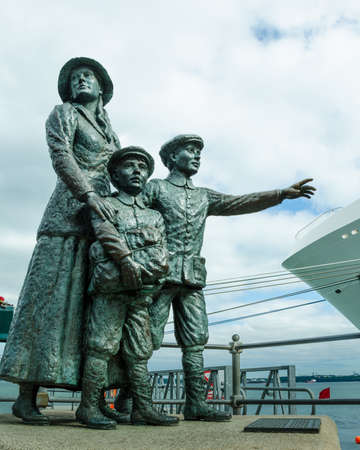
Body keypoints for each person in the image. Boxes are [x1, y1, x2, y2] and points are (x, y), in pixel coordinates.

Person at [117, 134, 316, 422]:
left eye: (199, 151)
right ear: (172, 158)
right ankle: (128, 401)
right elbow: (131, 214)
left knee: (195, 340)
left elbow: (239, 202)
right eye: (190, 150)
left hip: (192, 278)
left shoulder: (203, 196)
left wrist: (280, 194)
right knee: (146, 340)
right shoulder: (155, 188)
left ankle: (196, 403)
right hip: (158, 276)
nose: (197, 156)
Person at [0, 57, 120, 424]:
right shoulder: (64, 113)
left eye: (89, 76)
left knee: (90, 308)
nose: (81, 80)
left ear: (102, 88)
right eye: (75, 78)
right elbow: (61, 156)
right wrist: (88, 194)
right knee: (48, 300)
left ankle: (92, 398)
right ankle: (26, 395)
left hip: (100, 222)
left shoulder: (112, 133)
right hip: (67, 217)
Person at [76, 146, 179, 429]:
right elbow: (106, 236)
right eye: (129, 165)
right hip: (110, 290)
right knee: (100, 346)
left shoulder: (153, 216)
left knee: (139, 349)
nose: (137, 171)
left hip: (141, 293)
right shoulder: (104, 205)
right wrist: (127, 263)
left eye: (142, 167)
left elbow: (161, 254)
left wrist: (141, 271)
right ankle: (87, 407)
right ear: (114, 174)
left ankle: (142, 408)